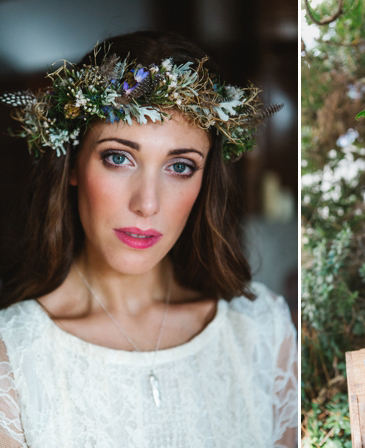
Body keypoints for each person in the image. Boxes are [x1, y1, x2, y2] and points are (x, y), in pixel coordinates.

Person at [0, 31, 297, 447]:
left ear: (205, 178)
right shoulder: (12, 358)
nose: (148, 204)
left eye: (179, 166)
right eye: (118, 158)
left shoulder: (263, 331)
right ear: (72, 163)